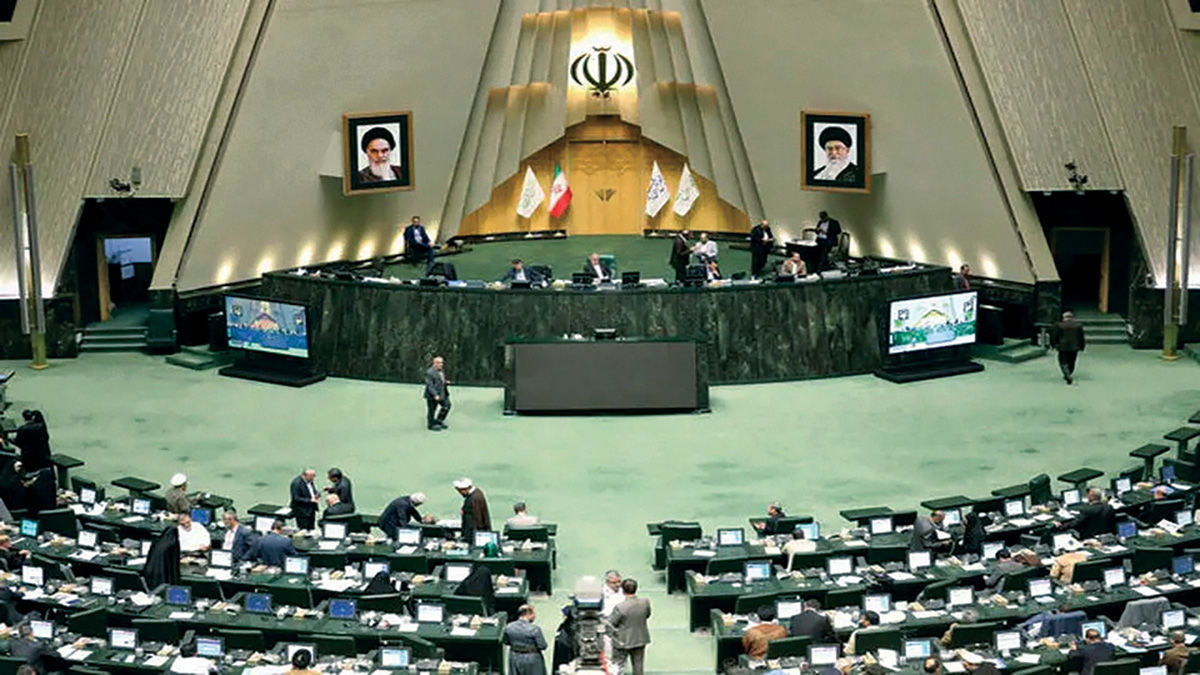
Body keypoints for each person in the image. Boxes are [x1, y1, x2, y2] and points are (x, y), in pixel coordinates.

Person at [608, 578, 651, 675]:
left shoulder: (620, 607)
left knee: (618, 666)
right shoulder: (645, 603)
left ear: (623, 590)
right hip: (640, 638)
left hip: (622, 641)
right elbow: (647, 615)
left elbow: (612, 622)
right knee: (638, 665)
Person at [505, 604, 548, 675]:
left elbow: (506, 641)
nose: (534, 617)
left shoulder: (509, 627)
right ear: (528, 614)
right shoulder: (534, 629)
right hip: (532, 659)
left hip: (514, 657)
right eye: (534, 614)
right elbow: (542, 646)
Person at [1051, 310, 1086, 384]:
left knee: (1063, 361)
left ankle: (1067, 374)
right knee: (1072, 361)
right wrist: (1082, 346)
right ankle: (1069, 372)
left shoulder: (1059, 325)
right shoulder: (1078, 326)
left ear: (1064, 318)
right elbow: (1081, 337)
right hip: (1074, 347)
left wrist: (1053, 344)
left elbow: (1055, 336)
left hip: (1062, 347)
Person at [454, 477, 491, 542]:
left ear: (465, 489)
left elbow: (477, 519)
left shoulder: (474, 498)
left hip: (475, 535)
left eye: (460, 491)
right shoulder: (476, 493)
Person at [425, 356, 451, 431]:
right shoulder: (429, 372)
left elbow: (440, 380)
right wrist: (435, 395)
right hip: (432, 395)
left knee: (447, 406)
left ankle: (439, 421)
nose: (441, 364)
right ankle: (431, 425)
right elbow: (430, 386)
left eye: (442, 363)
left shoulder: (441, 370)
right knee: (432, 410)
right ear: (435, 363)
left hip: (442, 393)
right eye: (439, 363)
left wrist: (445, 382)